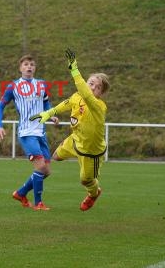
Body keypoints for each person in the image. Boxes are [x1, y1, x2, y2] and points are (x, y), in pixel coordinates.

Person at [29, 49, 110, 211]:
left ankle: (94, 193)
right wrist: (49, 113)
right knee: (55, 156)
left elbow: (87, 94)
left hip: (90, 152)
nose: (93, 87)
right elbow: (65, 104)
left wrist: (74, 69)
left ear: (101, 93)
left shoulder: (98, 106)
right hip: (75, 141)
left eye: (98, 87)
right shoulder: (77, 96)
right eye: (91, 83)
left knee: (86, 181)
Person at [0, 54, 58, 211]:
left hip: (40, 133)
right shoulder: (13, 86)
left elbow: (46, 102)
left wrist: (51, 114)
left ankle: (21, 193)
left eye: (32, 64)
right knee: (41, 168)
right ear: (20, 68)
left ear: (35, 68)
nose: (29, 67)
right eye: (26, 64)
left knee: (47, 171)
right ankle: (38, 203)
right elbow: (0, 106)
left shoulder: (41, 85)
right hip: (26, 133)